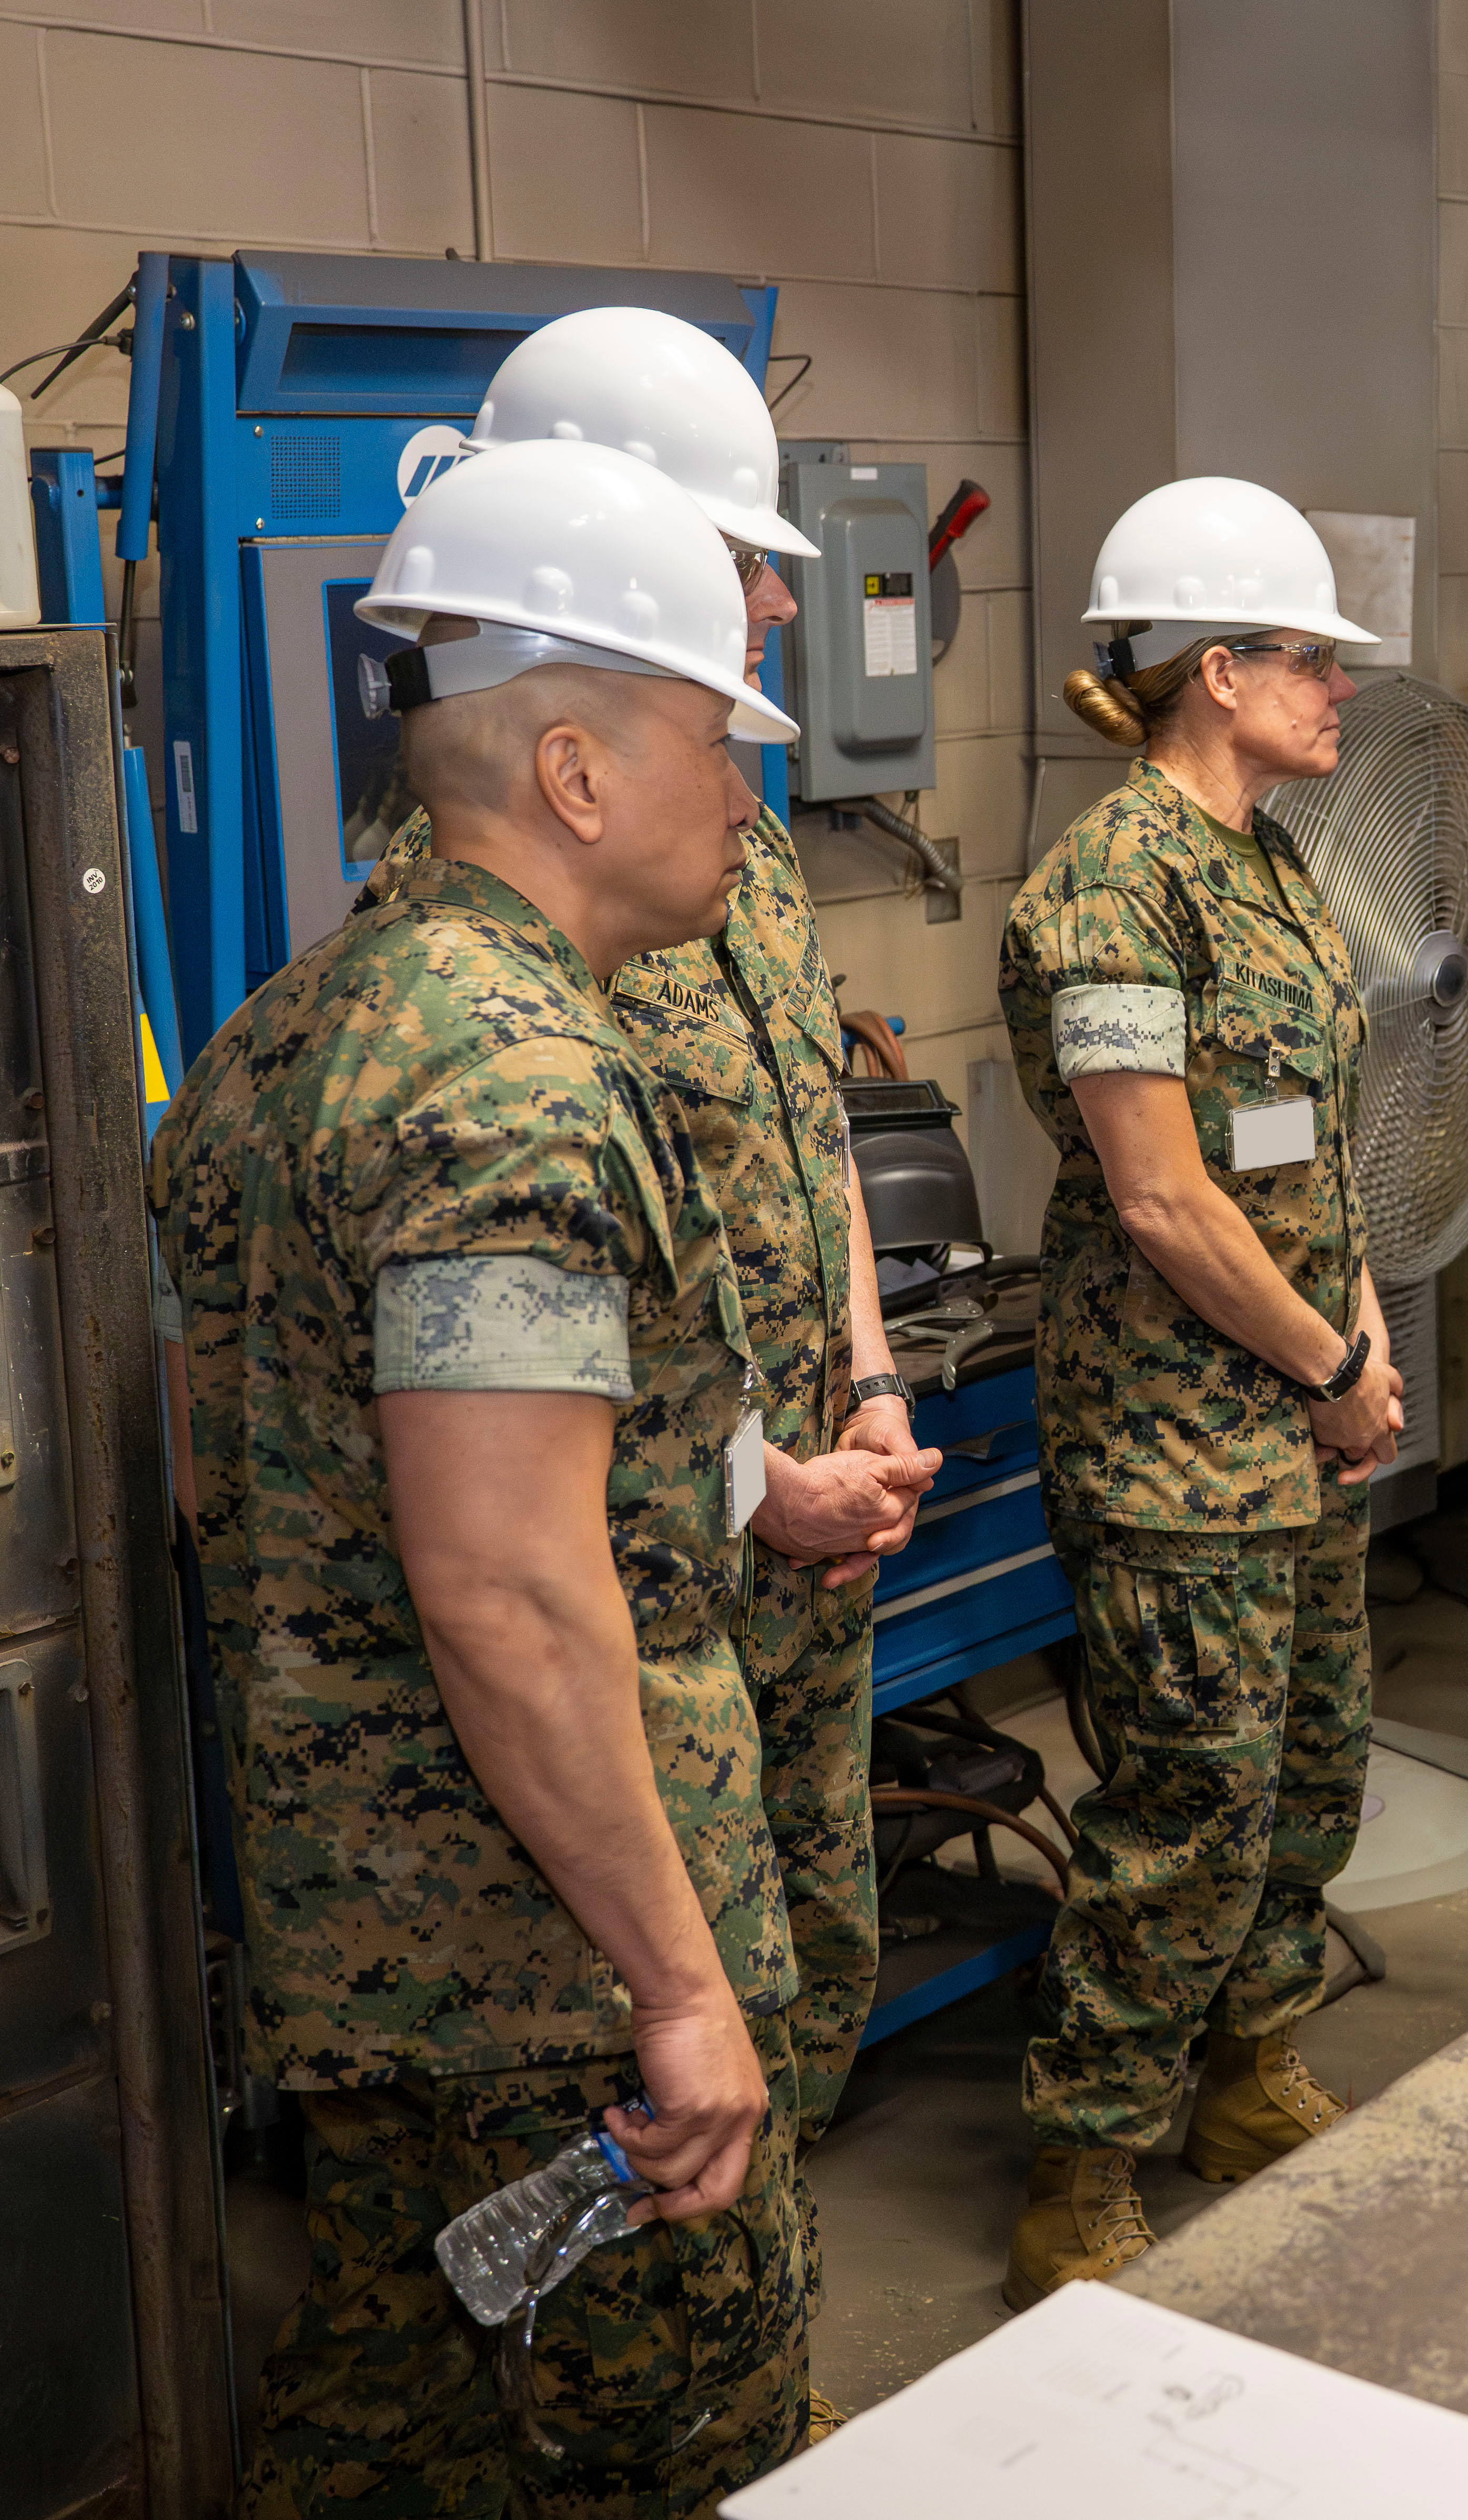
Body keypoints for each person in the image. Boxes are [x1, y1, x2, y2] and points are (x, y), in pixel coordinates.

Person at [157, 438, 814, 2507]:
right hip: (535, 1976)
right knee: (663, 2428)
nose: (749, 796)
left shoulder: (294, 1028)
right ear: (578, 773)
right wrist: (678, 1986)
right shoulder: (508, 1078)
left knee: (412, 2392)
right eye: (718, 739)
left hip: (376, 1938)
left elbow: (216, 1473)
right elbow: (507, 1592)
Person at [346, 313, 938, 2343]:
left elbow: (810, 1136)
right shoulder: (483, 967)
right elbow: (506, 1537)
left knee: (798, 1990)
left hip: (778, 1540)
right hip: (648, 1579)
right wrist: (755, 1475)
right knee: (667, 2058)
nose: (776, 599)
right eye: (729, 560)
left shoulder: (733, 847)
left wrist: (863, 1387)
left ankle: (744, 2324)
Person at [998, 479, 1400, 2305]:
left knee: (1305, 1781)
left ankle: (1242, 2076)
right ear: (1215, 671)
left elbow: (1308, 1148)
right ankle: (1079, 2161)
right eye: (1310, 661)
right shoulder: (1105, 894)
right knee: (1183, 1810)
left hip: (1305, 1410)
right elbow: (1160, 1195)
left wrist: (1366, 1332)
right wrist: (1322, 1361)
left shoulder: (1272, 866)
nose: (1338, 691)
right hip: (1178, 1435)